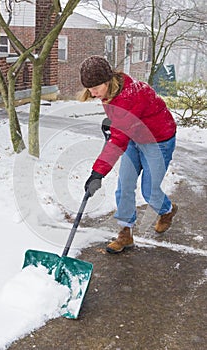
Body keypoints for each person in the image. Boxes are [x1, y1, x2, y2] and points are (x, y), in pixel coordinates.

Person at [78, 55, 178, 254]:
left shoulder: (129, 97)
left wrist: (98, 173)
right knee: (124, 186)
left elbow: (118, 139)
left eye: (95, 88)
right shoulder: (111, 92)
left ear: (107, 80)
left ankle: (166, 210)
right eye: (89, 89)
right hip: (135, 138)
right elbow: (122, 126)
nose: (93, 93)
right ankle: (125, 233)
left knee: (149, 191)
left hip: (158, 141)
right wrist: (114, 123)